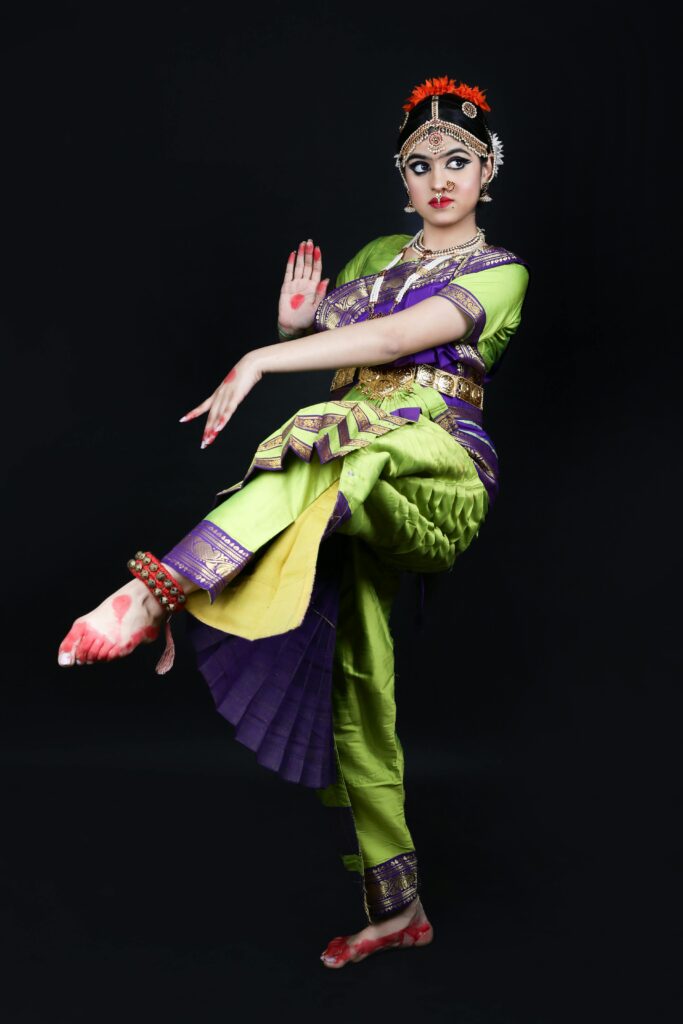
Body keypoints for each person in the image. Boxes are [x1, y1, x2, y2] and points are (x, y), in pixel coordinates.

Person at [57, 74, 530, 968]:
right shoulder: (370, 258)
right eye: (421, 162)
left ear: (487, 171)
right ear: (401, 175)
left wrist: (261, 354)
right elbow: (350, 363)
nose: (439, 177)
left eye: (458, 161)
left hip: (438, 469)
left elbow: (395, 347)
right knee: (360, 681)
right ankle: (399, 908)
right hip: (356, 473)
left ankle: (159, 589)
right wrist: (295, 324)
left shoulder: (499, 270)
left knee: (331, 435)